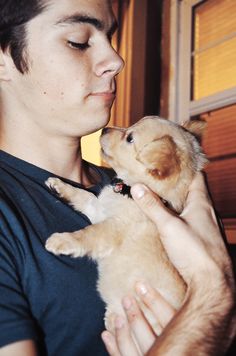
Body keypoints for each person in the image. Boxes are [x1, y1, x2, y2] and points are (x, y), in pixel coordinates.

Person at [0, 1, 234, 356]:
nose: (117, 59)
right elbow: (212, 305)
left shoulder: (144, 188)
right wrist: (213, 298)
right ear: (3, 60)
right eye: (78, 40)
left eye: (110, 36)